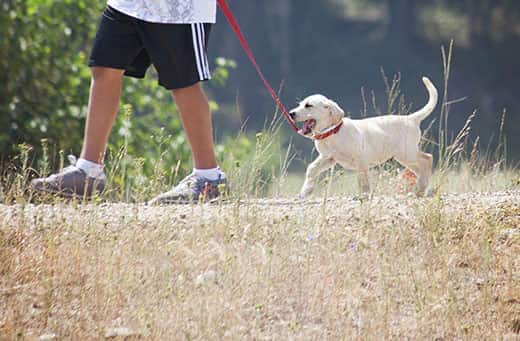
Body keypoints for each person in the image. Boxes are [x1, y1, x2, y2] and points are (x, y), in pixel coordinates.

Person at [31, 0, 228, 204]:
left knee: (183, 82)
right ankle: (89, 171)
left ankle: (209, 178)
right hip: (129, 4)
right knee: (104, 66)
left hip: (178, 9)